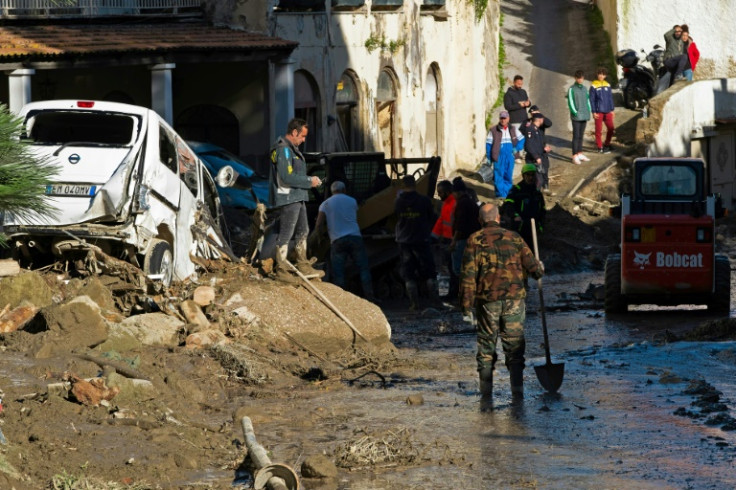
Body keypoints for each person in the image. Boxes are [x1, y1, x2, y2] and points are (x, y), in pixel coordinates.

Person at [460, 202, 544, 411]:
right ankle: (518, 393)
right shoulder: (514, 237)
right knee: (514, 347)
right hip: (515, 299)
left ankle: (486, 396)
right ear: (498, 218)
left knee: (487, 347)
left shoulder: (475, 240)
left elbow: (468, 276)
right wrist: (539, 270)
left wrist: (466, 306)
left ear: (481, 220)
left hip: (488, 301)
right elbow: (534, 268)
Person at [268, 118, 323, 278]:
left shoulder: (291, 149)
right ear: (294, 132)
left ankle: (303, 264)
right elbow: (286, 176)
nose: (304, 140)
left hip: (297, 196)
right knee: (287, 232)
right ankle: (282, 270)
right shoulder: (283, 149)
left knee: (303, 230)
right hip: (288, 198)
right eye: (303, 136)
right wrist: (309, 181)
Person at [315, 181, 374, 301]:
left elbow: (319, 224)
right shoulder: (352, 201)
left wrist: (320, 238)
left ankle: (342, 300)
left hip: (337, 240)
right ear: (344, 190)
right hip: (355, 237)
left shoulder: (325, 204)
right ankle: (370, 297)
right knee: (363, 268)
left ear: (332, 191)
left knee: (339, 272)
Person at [395, 175, 438, 310]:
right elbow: (431, 216)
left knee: (408, 272)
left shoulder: (398, 201)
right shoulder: (424, 200)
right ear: (415, 184)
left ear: (403, 185)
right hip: (422, 239)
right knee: (429, 270)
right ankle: (436, 302)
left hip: (404, 240)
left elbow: (396, 216)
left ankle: (414, 304)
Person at [503, 163, 546, 251]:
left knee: (532, 252)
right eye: (528, 175)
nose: (530, 177)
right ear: (523, 176)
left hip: (534, 228)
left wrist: (540, 226)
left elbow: (542, 210)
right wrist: (515, 216)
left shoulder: (537, 193)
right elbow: (508, 205)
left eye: (532, 175)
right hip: (520, 228)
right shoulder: (516, 190)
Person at [450, 178, 480, 300]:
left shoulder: (462, 204)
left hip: (463, 240)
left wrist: (453, 241)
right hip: (473, 239)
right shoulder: (471, 202)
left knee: (460, 269)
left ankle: (466, 297)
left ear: (457, 192)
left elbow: (460, 225)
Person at [485, 111, 524, 199]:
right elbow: (488, 144)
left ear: (508, 118)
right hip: (498, 157)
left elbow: (522, 139)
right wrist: (488, 157)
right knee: (498, 176)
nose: (503, 120)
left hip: (510, 157)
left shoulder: (513, 129)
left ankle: (507, 194)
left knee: (508, 175)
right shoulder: (493, 130)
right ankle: (500, 195)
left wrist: (517, 148)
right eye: (501, 118)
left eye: (505, 118)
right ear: (499, 118)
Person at [431, 180, 458, 300]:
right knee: (450, 268)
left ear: (448, 192)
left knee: (454, 269)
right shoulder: (446, 203)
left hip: (454, 240)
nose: (439, 195)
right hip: (448, 239)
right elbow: (441, 220)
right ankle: (452, 292)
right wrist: (434, 236)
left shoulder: (453, 204)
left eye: (441, 192)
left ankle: (454, 293)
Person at [567, 70, 591, 165]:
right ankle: (574, 155)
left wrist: (588, 110)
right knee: (576, 136)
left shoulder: (585, 88)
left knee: (581, 135)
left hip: (584, 115)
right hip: (576, 116)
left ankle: (580, 153)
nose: (580, 80)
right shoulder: (571, 89)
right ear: (575, 78)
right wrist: (575, 112)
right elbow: (570, 102)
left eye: (582, 78)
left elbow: (587, 100)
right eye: (578, 78)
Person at [589, 67, 615, 154]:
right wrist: (593, 111)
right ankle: (600, 147)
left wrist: (612, 110)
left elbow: (610, 98)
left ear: (605, 76)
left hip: (608, 111)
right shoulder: (593, 85)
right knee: (598, 130)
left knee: (611, 129)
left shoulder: (608, 85)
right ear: (597, 75)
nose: (601, 76)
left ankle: (607, 144)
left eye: (603, 74)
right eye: (599, 74)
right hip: (598, 111)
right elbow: (591, 99)